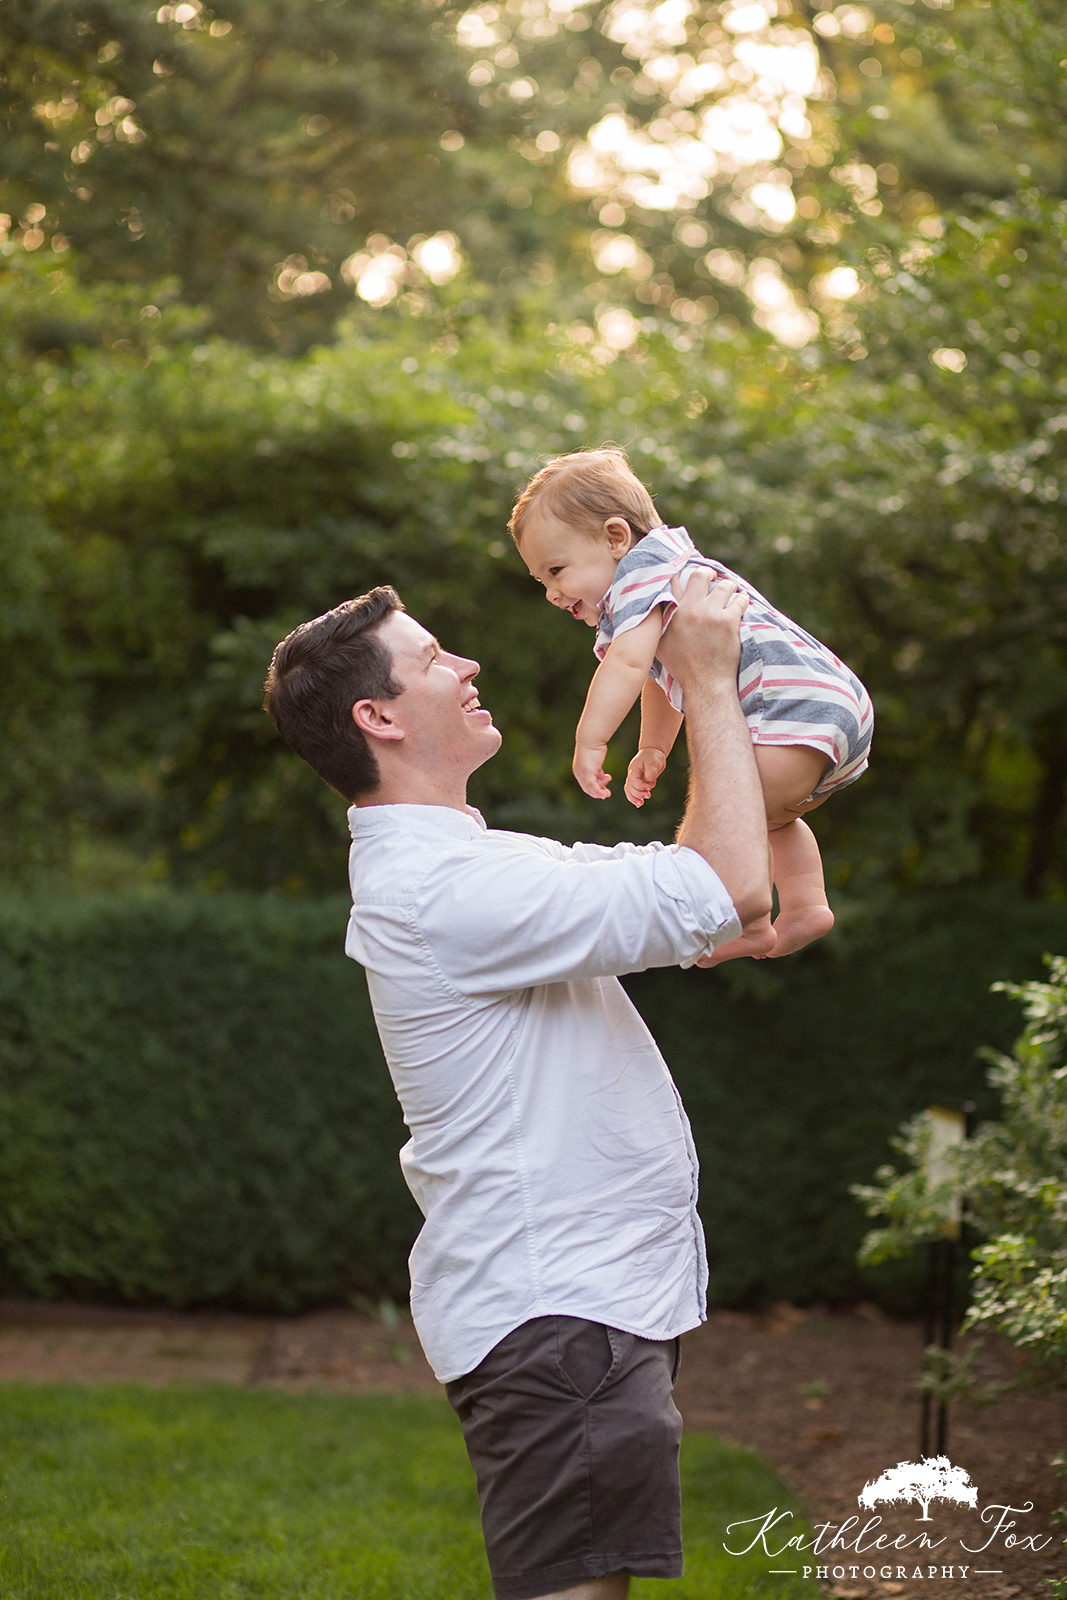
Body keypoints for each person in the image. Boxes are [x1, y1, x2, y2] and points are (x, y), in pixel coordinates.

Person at [262, 574, 771, 1600]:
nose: (468, 666)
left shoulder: (471, 865)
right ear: (379, 717)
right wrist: (709, 685)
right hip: (556, 1312)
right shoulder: (453, 889)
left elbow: (724, 903)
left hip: (574, 1307)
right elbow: (725, 888)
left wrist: (736, 897)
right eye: (436, 657)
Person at [511, 447, 874, 965]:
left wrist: (590, 740)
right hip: (826, 706)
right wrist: (653, 745)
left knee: (728, 818)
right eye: (541, 580)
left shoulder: (637, 577)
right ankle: (805, 903)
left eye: (556, 569)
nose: (551, 592)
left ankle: (745, 919)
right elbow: (665, 676)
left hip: (790, 707)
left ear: (616, 538)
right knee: (761, 818)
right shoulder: (674, 571)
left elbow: (628, 666)